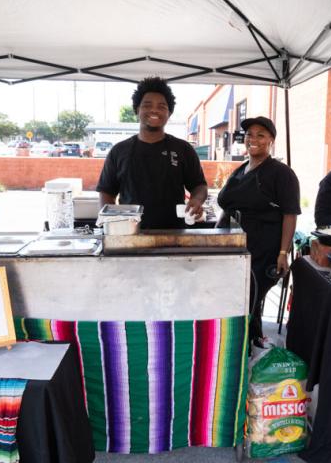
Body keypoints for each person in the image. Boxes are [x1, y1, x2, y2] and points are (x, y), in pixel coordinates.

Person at [217, 116, 301, 348]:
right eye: (249, 134)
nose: (253, 139)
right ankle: (250, 348)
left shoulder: (281, 173)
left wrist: (283, 253)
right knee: (243, 303)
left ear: (271, 141)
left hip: (265, 249)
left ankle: (242, 350)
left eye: (260, 135)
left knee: (248, 301)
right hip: (238, 247)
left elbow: (290, 214)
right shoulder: (242, 169)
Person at [96, 77, 208, 229]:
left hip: (174, 235)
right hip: (130, 236)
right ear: (137, 110)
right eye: (147, 105)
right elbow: (106, 191)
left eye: (161, 106)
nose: (154, 110)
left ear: (169, 113)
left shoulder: (183, 149)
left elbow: (199, 186)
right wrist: (110, 224)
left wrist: (197, 200)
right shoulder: (119, 151)